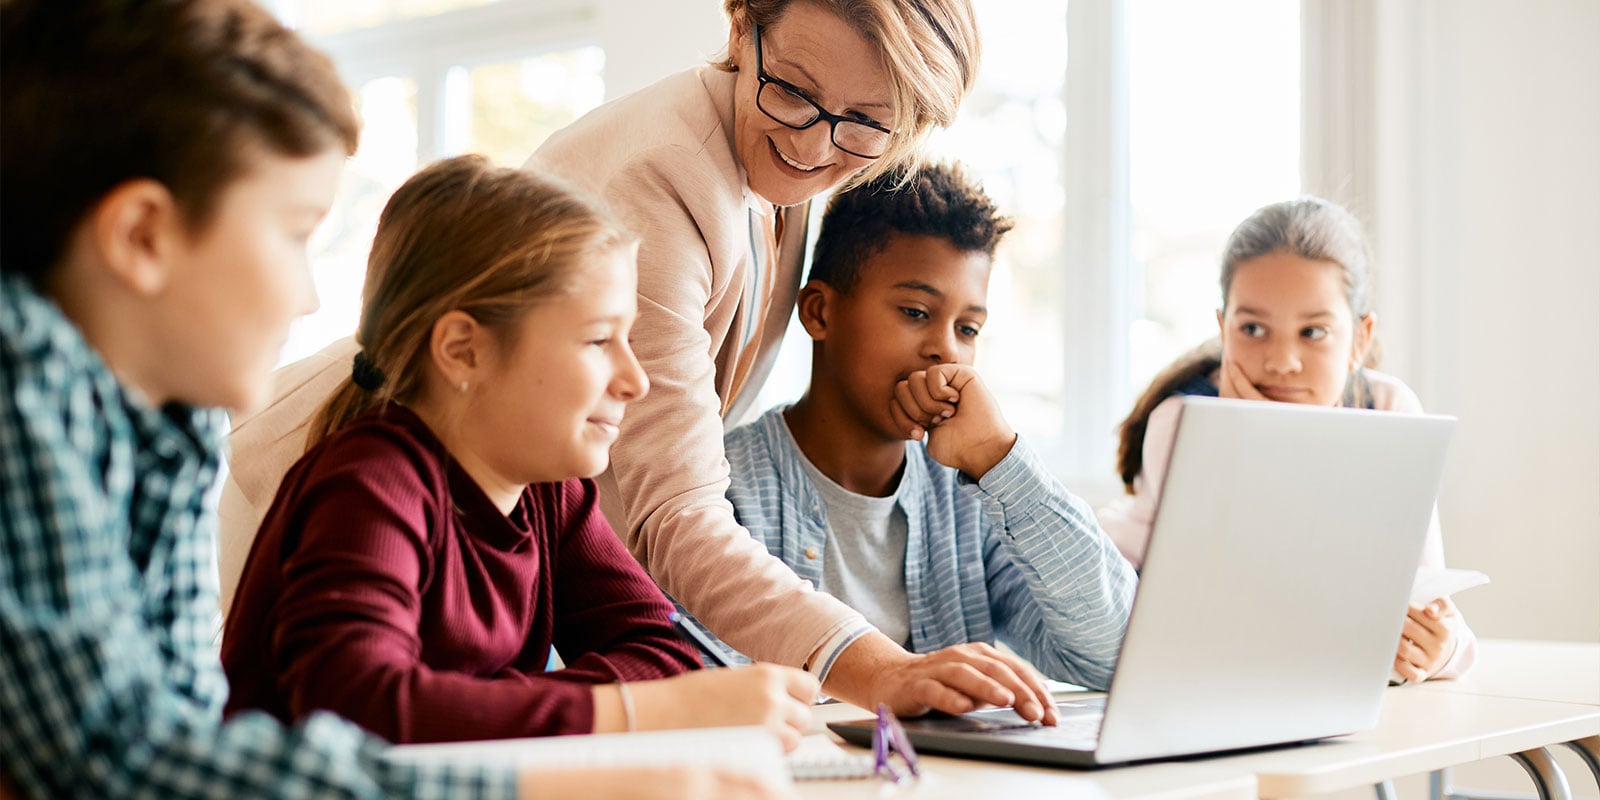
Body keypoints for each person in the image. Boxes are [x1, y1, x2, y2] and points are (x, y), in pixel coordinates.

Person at [0, 2, 784, 798]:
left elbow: (175, 736)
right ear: (142, 237)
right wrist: (593, 749)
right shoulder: (26, 399)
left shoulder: (177, 422)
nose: (309, 299)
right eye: (294, 232)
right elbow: (115, 759)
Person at [222, 0, 1059, 723]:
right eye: (794, 92)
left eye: (866, 122)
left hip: (496, 507)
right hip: (396, 512)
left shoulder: (556, 495)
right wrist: (872, 669)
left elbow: (654, 650)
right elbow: (675, 516)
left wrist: (614, 704)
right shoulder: (656, 179)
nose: (815, 142)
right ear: (741, 29)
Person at [221, 155, 818, 750]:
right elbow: (359, 710)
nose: (634, 380)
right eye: (597, 340)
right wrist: (635, 708)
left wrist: (472, 703)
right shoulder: (369, 485)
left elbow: (666, 654)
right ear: (463, 350)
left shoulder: (549, 490)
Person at [697, 163, 1137, 690]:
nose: (946, 349)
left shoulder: (973, 501)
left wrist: (999, 457)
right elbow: (709, 695)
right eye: (914, 311)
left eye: (968, 328)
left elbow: (1116, 658)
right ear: (819, 312)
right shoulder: (720, 493)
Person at [1097, 197, 1477, 683]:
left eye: (1313, 332)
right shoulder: (1181, 422)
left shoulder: (1390, 411)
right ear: (1223, 329)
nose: (1281, 361)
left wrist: (1444, 651)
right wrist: (1246, 441)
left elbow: (1429, 596)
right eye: (1252, 329)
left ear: (1360, 338)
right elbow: (1199, 611)